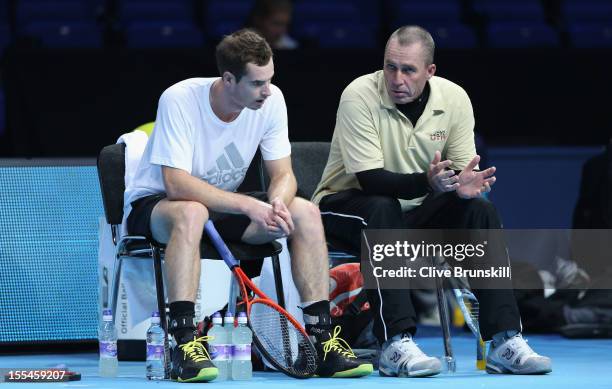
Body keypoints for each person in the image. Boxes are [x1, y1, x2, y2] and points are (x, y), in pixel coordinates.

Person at [124, 29, 371, 382]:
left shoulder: (271, 101)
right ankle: (182, 343)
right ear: (228, 79)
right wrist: (248, 206)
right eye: (257, 83)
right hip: (160, 206)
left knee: (305, 211)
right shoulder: (179, 99)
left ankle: (320, 339)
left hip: (223, 209)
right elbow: (176, 184)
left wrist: (276, 204)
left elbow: (283, 173)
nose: (266, 91)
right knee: (192, 211)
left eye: (270, 80)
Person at [312, 25, 552, 377]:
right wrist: (430, 183)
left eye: (408, 70)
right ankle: (395, 342)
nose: (397, 78)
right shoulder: (359, 94)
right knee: (381, 206)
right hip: (345, 205)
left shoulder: (454, 99)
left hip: (414, 209)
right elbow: (371, 180)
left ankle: (504, 340)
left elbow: (461, 170)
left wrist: (464, 186)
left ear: (430, 72)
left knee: (479, 210)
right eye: (390, 67)